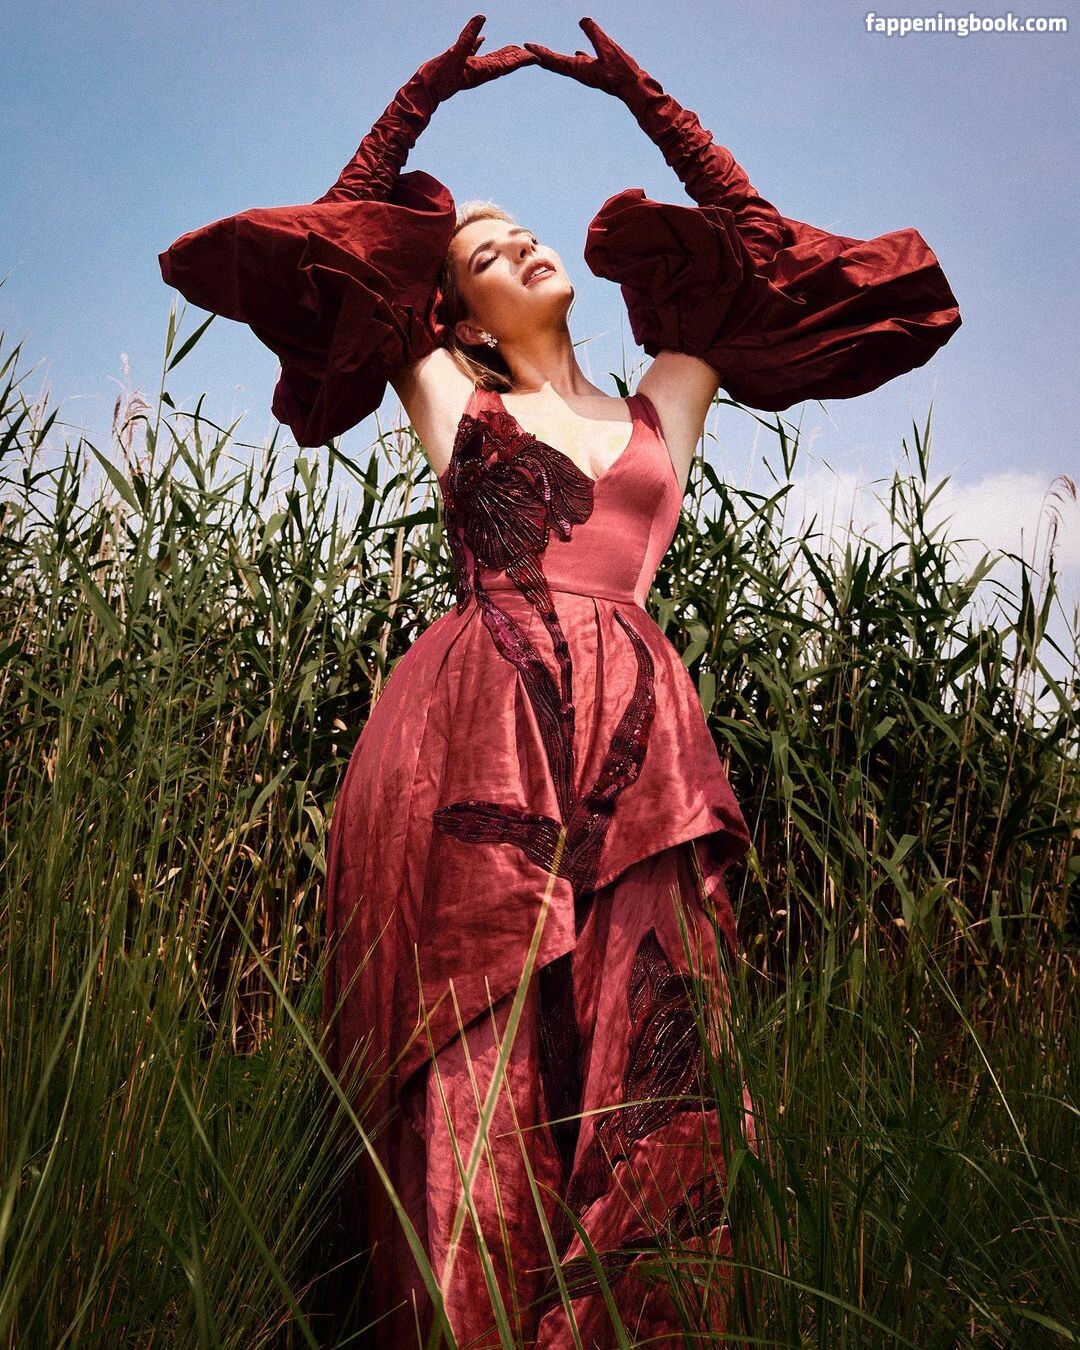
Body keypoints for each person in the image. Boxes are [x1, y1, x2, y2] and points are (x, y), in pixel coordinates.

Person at [158, 17, 961, 1345]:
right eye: (486, 253)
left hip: (643, 735)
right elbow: (333, 247)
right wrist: (419, 102)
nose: (523, 245)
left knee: (653, 1020)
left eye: (524, 231)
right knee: (486, 1024)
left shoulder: (669, 396)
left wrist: (652, 105)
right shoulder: (445, 394)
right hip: (481, 722)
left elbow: (762, 250)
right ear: (458, 314)